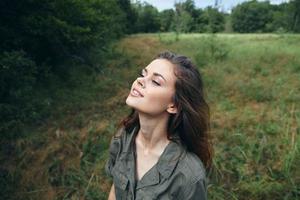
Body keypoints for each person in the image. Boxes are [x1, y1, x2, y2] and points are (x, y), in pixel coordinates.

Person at [105, 51, 212, 200]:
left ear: (174, 105)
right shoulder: (122, 139)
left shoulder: (189, 174)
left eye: (155, 82)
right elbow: (115, 191)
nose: (140, 80)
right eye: (143, 74)